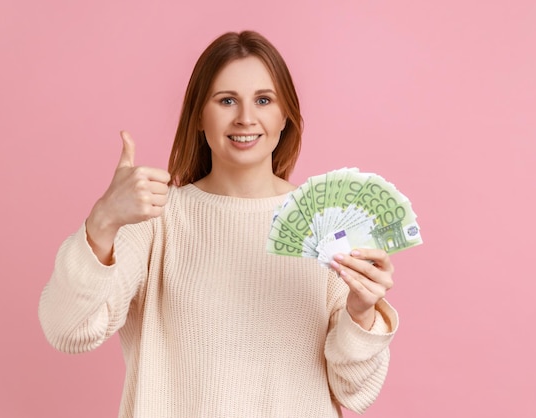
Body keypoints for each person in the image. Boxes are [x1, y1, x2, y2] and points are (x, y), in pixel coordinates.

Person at [39, 30, 398, 418]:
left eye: (263, 100)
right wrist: (104, 220)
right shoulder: (154, 222)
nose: (245, 118)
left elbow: (355, 392)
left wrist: (362, 314)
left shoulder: (327, 228)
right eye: (227, 100)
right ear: (198, 116)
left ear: (285, 116)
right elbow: (68, 330)